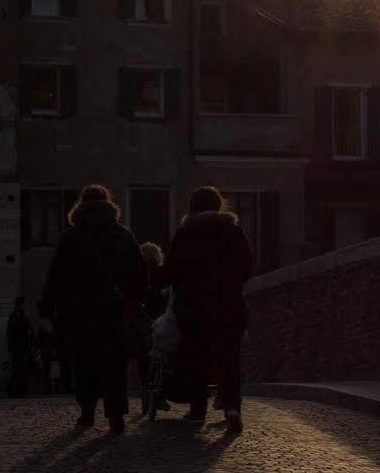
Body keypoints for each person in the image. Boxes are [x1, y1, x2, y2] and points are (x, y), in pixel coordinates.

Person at [39, 184, 147, 433]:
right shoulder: (124, 235)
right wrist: (133, 300)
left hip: (79, 312)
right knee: (115, 364)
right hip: (115, 311)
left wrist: (46, 310)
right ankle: (116, 414)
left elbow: (55, 277)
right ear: (109, 205)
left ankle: (87, 412)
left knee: (84, 362)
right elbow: (141, 273)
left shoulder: (71, 237)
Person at [164, 186, 254, 432]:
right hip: (230, 305)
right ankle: (232, 407)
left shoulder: (185, 232)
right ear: (218, 206)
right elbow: (247, 265)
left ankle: (198, 409)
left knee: (196, 356)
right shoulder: (232, 229)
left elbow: (170, 271)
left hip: (192, 307)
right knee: (230, 357)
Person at [134, 242, 169, 418]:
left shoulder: (136, 273)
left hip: (142, 319)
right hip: (160, 318)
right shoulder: (161, 272)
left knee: (143, 356)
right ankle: (160, 395)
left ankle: (145, 390)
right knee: (162, 356)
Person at [6, 296, 34, 399]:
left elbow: (29, 329)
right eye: (21, 304)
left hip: (23, 346)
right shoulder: (14, 316)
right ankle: (14, 390)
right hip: (17, 346)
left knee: (21, 369)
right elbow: (11, 332)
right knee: (16, 369)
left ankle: (20, 390)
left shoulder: (23, 316)